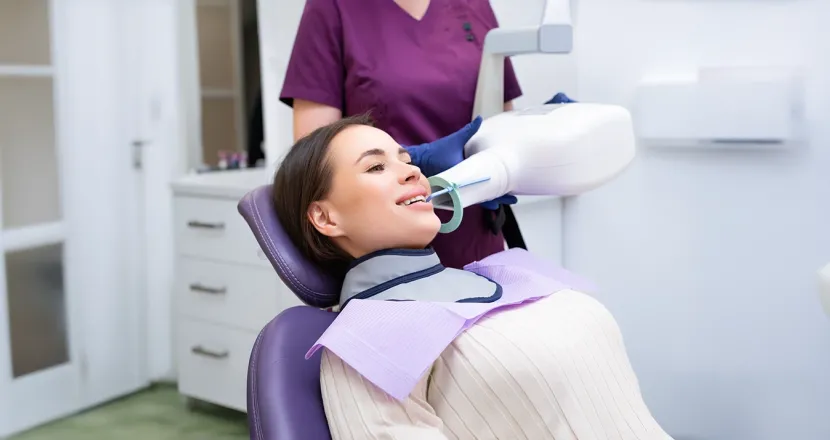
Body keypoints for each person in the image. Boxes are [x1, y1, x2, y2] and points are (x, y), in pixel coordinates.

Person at [271, 114, 674, 439]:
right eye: (376, 166)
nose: (411, 173)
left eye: (406, 160)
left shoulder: (506, 273)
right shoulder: (364, 342)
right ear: (325, 217)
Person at [279, 0, 527, 269]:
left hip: (477, 235)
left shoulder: (474, 5)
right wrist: (414, 158)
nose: (411, 172)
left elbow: (501, 126)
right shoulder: (333, 8)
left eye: (408, 163)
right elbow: (314, 166)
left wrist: (549, 129)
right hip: (385, 258)